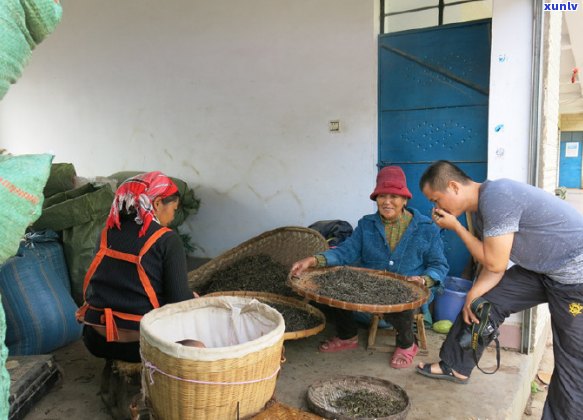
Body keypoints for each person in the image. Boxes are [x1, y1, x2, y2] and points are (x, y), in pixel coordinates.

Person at [416, 160, 583, 419]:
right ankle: (456, 365)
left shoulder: (497, 196)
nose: (436, 208)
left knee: (574, 358)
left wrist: (457, 227)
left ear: (453, 187)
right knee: (483, 303)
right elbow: (493, 265)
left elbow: (495, 263)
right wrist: (473, 295)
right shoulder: (478, 211)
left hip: (575, 280)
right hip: (542, 270)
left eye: (436, 199)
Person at [291, 166, 448, 369]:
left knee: (405, 299)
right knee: (331, 282)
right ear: (376, 199)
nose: (387, 201)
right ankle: (348, 336)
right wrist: (313, 260)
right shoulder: (367, 225)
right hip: (370, 288)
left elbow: (439, 265)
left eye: (394, 196)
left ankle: (407, 344)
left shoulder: (426, 229)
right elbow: (344, 253)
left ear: (405, 200)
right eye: (382, 196)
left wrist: (424, 280)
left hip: (408, 290)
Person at [76, 171, 194, 363]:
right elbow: (178, 302)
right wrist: (193, 298)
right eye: (173, 208)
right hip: (141, 345)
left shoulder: (106, 233)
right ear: (157, 204)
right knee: (199, 341)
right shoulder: (167, 239)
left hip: (95, 338)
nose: (172, 217)